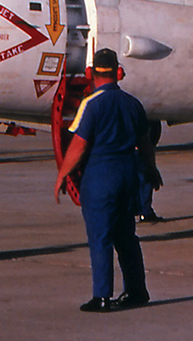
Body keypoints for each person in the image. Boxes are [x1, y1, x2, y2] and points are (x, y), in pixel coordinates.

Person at [54, 48, 161, 312]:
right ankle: (137, 290)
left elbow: (78, 145)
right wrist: (152, 170)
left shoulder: (91, 104)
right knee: (126, 237)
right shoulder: (133, 104)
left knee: (101, 237)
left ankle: (102, 296)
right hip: (128, 176)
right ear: (118, 73)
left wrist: (61, 175)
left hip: (100, 178)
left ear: (91, 73)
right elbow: (145, 144)